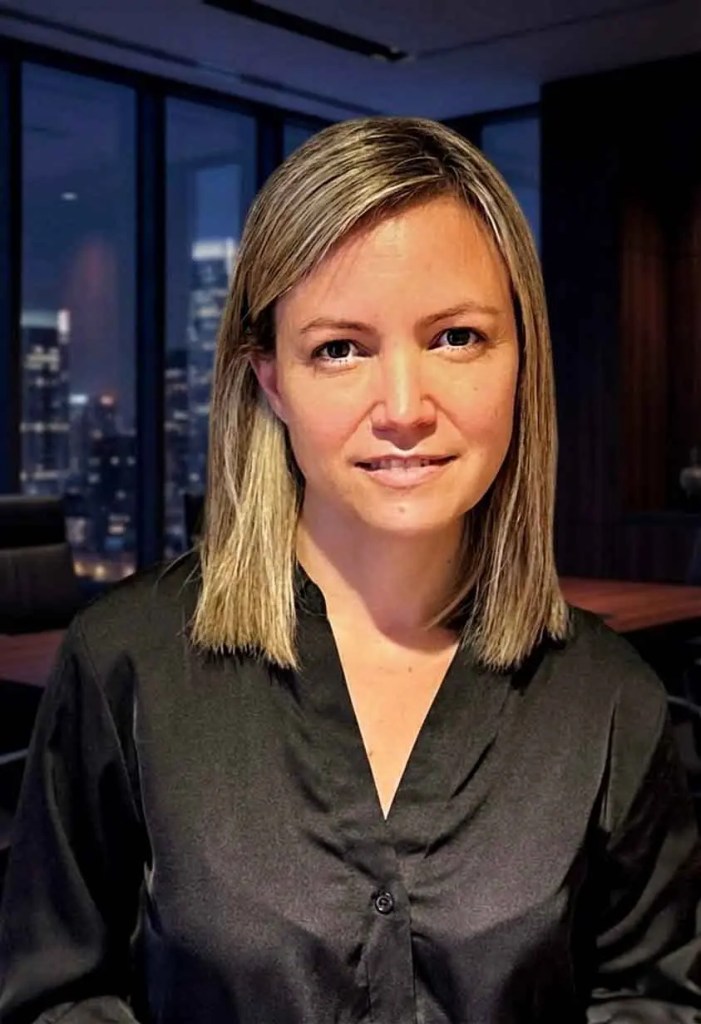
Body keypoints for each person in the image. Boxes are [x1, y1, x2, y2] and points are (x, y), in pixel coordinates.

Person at [0, 116, 699, 1024]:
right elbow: (53, 994)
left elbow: (653, 996)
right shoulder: (125, 664)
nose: (404, 408)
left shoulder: (609, 698)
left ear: (520, 359)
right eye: (339, 348)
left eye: (455, 337)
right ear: (270, 381)